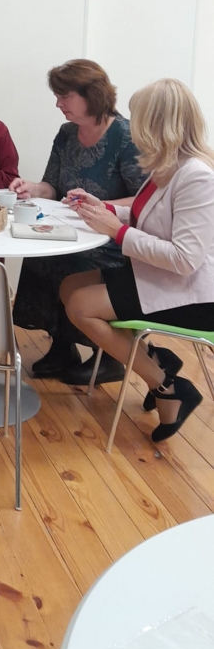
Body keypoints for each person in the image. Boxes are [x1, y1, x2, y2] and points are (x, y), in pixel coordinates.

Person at [61, 79, 214, 443]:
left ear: (157, 122)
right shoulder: (168, 166)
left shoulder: (197, 177)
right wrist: (102, 207)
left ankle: (167, 386)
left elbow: (185, 259)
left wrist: (117, 231)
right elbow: (148, 215)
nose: (131, 127)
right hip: (162, 278)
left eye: (138, 117)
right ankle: (155, 358)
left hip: (194, 297)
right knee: (70, 286)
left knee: (81, 306)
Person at [10, 60, 142, 384]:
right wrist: (31, 188)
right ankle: (62, 346)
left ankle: (109, 356)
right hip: (72, 227)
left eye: (64, 96)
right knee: (40, 255)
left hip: (110, 237)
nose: (58, 104)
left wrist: (100, 206)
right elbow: (52, 186)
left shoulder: (126, 137)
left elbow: (144, 201)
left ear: (91, 95)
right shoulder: (67, 133)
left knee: (77, 260)